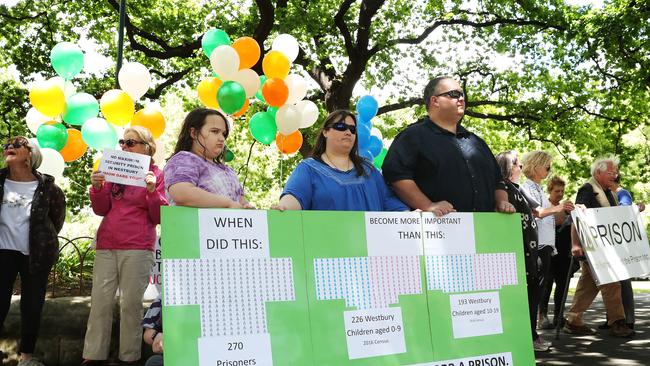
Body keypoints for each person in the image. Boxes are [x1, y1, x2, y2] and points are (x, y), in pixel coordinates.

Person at [82, 126, 168, 365]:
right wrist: (97, 188)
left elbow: (160, 215)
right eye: (123, 142)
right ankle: (93, 356)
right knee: (100, 301)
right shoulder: (112, 170)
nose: (124, 147)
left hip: (138, 246)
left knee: (131, 304)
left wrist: (152, 190)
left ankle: (129, 358)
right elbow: (101, 209)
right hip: (108, 243)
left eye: (131, 143)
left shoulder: (157, 174)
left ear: (147, 148)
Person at [382, 76, 514, 215]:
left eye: (462, 95)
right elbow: (397, 176)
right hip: (439, 229)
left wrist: (501, 201)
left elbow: (497, 181)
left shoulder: (477, 142)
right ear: (435, 100)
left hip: (485, 229)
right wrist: (428, 205)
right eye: (454, 94)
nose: (462, 99)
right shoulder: (412, 136)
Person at [0, 136, 66, 366]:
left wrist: (41, 240)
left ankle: (26, 357)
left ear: (30, 154)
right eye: (6, 145)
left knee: (32, 304)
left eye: (16, 145)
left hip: (35, 254)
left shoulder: (49, 188)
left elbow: (55, 221)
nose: (9, 147)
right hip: (3, 252)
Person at [276, 110, 408, 211]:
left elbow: (390, 203)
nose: (348, 132)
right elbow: (293, 198)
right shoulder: (308, 169)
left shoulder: (369, 171)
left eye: (352, 129)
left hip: (370, 246)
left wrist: (412, 217)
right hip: (328, 244)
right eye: (340, 126)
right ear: (325, 132)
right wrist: (283, 209)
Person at [564, 157, 633, 337]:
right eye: (611, 172)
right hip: (593, 249)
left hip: (606, 248)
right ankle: (617, 322)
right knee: (612, 283)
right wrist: (576, 244)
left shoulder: (609, 192)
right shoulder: (587, 190)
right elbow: (576, 216)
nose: (615, 175)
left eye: (615, 172)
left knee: (588, 285)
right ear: (598, 173)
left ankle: (573, 320)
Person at [495, 151, 549, 352]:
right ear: (508, 167)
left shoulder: (516, 190)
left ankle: (530, 336)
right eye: (518, 164)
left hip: (529, 251)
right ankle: (527, 339)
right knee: (524, 298)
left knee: (531, 296)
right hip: (518, 254)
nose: (521, 167)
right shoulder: (503, 190)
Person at [519, 151, 574, 329]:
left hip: (546, 245)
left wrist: (567, 209)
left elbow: (552, 217)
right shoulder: (526, 188)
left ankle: (533, 333)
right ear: (535, 166)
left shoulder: (538, 188)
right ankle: (532, 334)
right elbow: (538, 212)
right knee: (535, 291)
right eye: (546, 166)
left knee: (539, 289)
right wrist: (559, 206)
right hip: (537, 245)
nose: (549, 169)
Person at [164, 108, 253, 208]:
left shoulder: (229, 170)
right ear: (194, 133)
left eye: (223, 134)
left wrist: (249, 207)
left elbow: (242, 201)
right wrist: (227, 204)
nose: (222, 138)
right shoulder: (183, 159)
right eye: (215, 131)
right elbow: (181, 193)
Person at [598, 174, 646, 330]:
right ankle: (613, 318)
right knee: (611, 283)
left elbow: (624, 211)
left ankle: (628, 319)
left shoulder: (621, 193)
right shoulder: (607, 194)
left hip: (621, 247)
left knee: (623, 283)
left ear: (613, 181)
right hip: (611, 245)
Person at [542, 176, 578, 328]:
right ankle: (542, 316)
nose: (560, 194)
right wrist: (560, 211)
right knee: (546, 285)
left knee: (562, 286)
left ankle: (559, 316)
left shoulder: (566, 208)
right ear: (550, 190)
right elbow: (554, 221)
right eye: (557, 191)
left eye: (562, 191)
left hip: (564, 253)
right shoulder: (545, 206)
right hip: (548, 251)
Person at [141, 298, 163, 366]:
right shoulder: (163, 295)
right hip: (172, 354)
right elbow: (147, 332)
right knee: (154, 362)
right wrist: (156, 336)